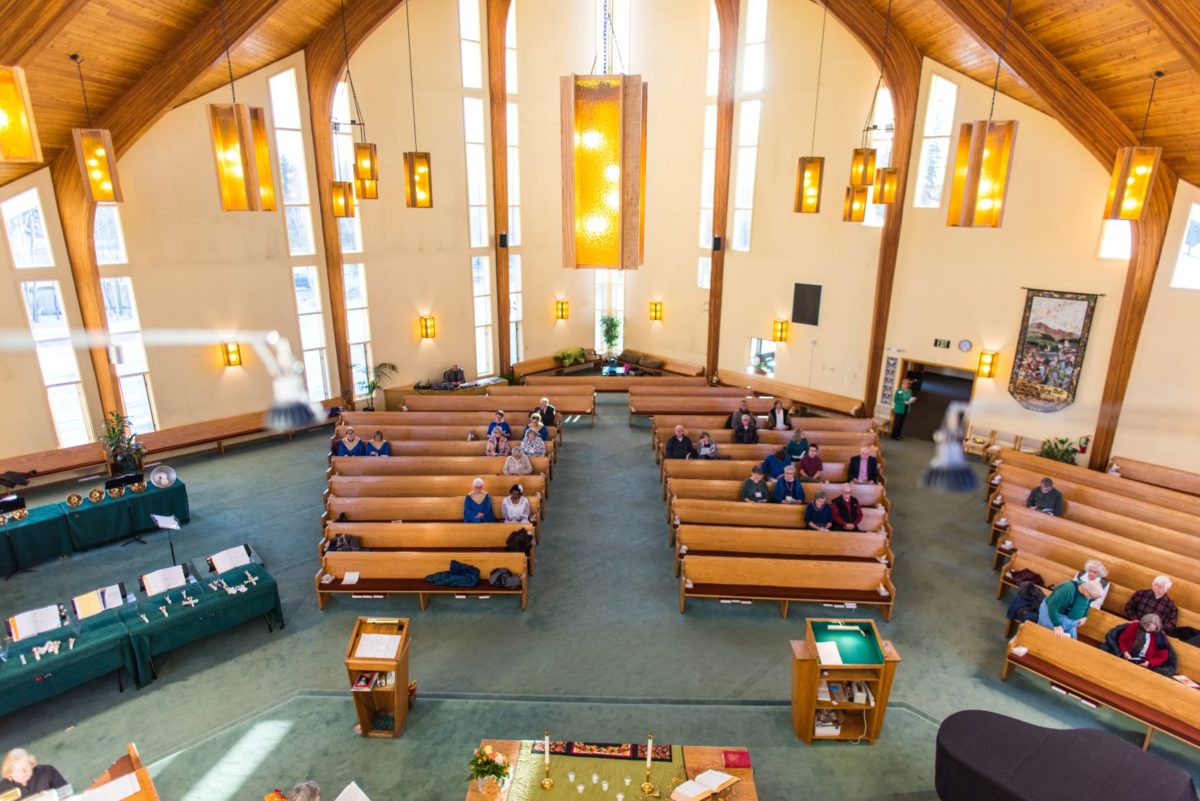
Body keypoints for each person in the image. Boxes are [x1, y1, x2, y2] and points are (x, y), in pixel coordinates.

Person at [1101, 614, 1172, 672]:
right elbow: (1122, 640)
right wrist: (1125, 652)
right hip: (1127, 657)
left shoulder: (1160, 637)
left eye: (1150, 629)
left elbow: (1162, 657)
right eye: (1145, 627)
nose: (1147, 629)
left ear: (1157, 627)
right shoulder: (1134, 626)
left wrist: (1149, 663)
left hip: (1145, 663)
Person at [1037, 578, 1104, 639]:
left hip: (1071, 621)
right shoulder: (1067, 589)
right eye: (1092, 597)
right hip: (1052, 615)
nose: (1092, 599)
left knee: (1070, 643)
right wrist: (1057, 625)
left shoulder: (1090, 593)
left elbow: (1088, 603)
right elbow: (1052, 606)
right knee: (1046, 638)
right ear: (1085, 590)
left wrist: (1085, 616)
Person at [0, 749, 68, 799]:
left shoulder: (47, 771)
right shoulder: (2, 788)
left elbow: (65, 793)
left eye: (26, 767)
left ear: (31, 764)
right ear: (9, 773)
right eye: (17, 771)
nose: (23, 773)